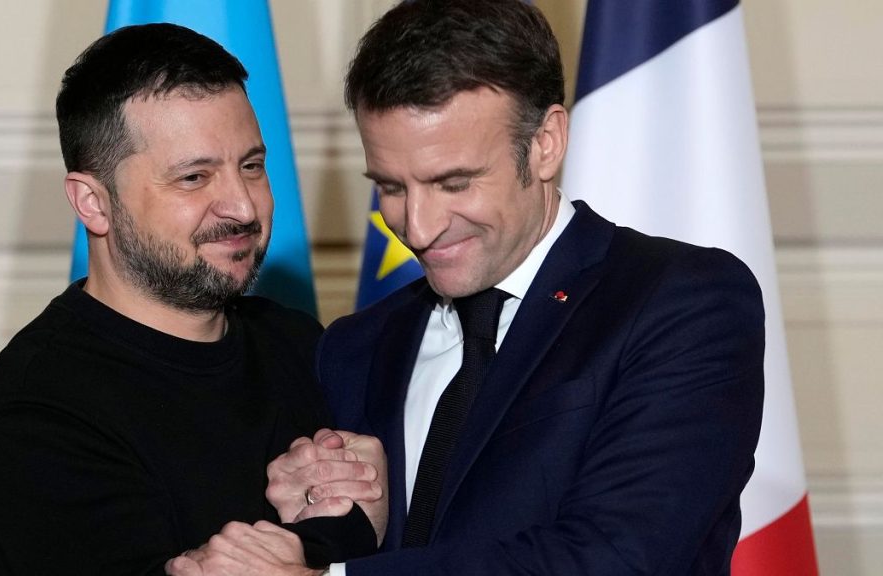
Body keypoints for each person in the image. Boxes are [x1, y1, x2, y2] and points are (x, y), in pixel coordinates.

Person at [169, 0, 765, 574]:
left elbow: (618, 557)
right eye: (392, 188)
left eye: (454, 183)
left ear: (544, 144)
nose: (418, 229)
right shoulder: (356, 346)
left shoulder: (682, 302)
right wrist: (319, 522)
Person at [0, 23, 383, 576]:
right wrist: (346, 528)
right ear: (93, 202)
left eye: (251, 166)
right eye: (193, 177)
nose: (243, 207)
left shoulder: (298, 342)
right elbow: (350, 531)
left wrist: (355, 505)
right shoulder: (33, 418)